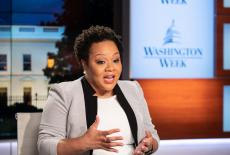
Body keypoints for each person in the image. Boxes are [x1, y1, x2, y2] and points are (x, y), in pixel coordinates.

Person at [37, 25, 160, 155]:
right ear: (84, 64)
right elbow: (44, 146)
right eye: (101, 62)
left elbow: (152, 135)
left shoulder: (133, 89)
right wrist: (83, 143)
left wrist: (149, 145)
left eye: (115, 60)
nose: (111, 68)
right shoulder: (63, 93)